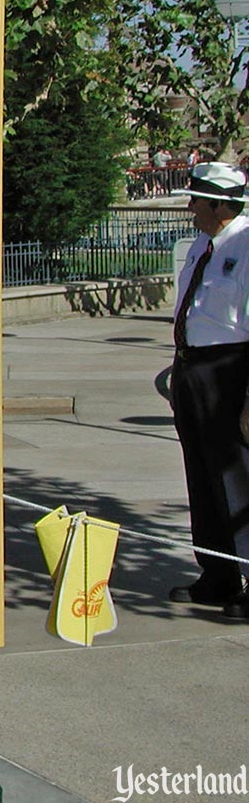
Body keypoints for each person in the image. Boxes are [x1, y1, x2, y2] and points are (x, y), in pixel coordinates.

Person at [168, 162, 249, 619]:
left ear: (221, 203)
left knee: (238, 479)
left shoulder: (246, 243)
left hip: (231, 370)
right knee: (201, 474)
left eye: (197, 198)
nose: (191, 206)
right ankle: (218, 573)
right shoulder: (204, 243)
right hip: (193, 369)